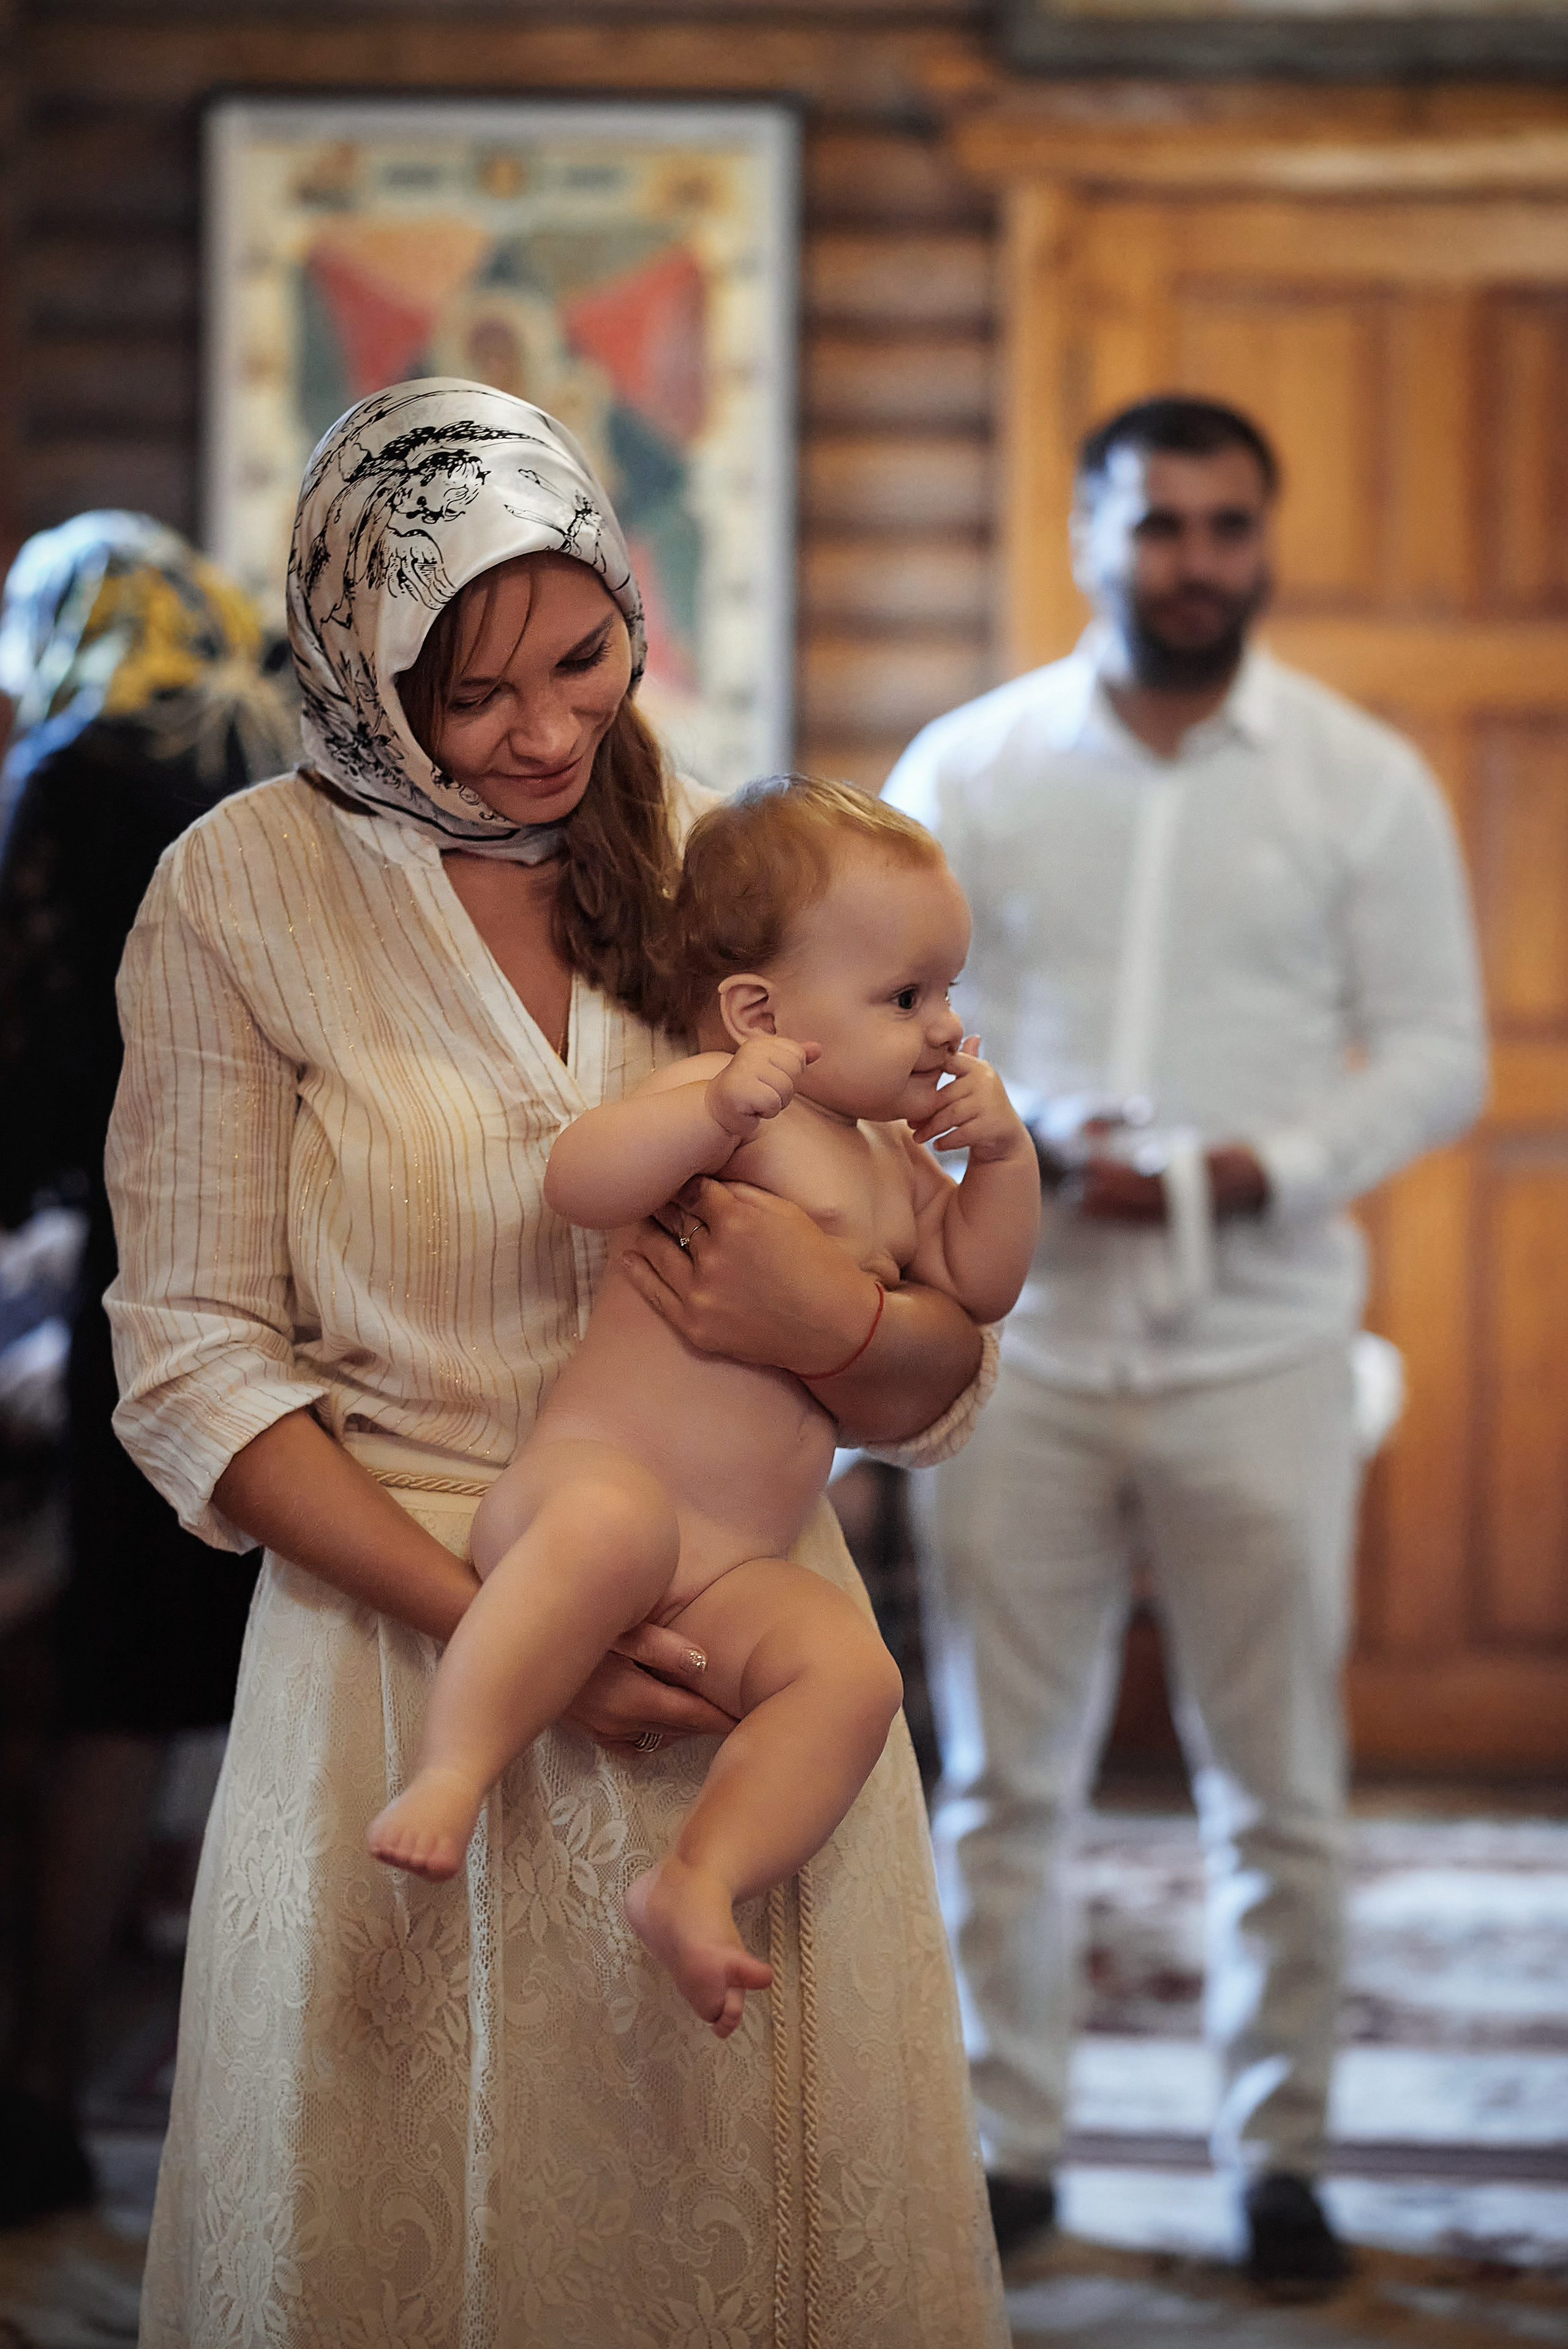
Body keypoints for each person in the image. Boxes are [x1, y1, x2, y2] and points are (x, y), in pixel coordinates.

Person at [106, 380, 1009, 2345]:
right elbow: (192, 1359)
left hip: (750, 1650)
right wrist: (503, 1621)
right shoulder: (242, 889)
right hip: (401, 1648)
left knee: (719, 2238)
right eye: (472, 694)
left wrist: (838, 1328)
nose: (545, 736)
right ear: (360, 671)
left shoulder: (728, 864)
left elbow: (947, 1332)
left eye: (584, 660)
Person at [884, 394, 1487, 2291]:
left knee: (1279, 1783)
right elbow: (871, 1012)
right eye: (1159, 527)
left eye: (1228, 527)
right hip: (1020, 1337)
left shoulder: (1359, 778)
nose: (1196, 562)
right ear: (1085, 535)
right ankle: (1007, 2138)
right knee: (1001, 1776)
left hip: (1264, 1344)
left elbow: (1444, 1052)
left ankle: (1281, 2155)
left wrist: (1254, 1165)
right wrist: (1029, 1139)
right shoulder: (968, 769)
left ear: (1266, 543)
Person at [369, 775, 1041, 2042]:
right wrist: (708, 1112)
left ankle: (699, 1880)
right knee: (612, 1532)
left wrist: (1001, 1160)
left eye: (950, 993)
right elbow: (577, 1179)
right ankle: (454, 1768)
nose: (945, 1028)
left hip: (733, 1560)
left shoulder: (896, 1169)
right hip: (586, 1491)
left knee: (853, 1672)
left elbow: (978, 1284)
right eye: (905, 997)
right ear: (755, 1012)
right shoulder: (736, 1108)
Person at [0, 513, 296, 2225]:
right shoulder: (274, 755)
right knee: (316, 1669)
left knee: (116, 1683)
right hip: (331, 1267)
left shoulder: (63, 772)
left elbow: (35, 1088)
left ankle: (39, 2083)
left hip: (165, 1272)